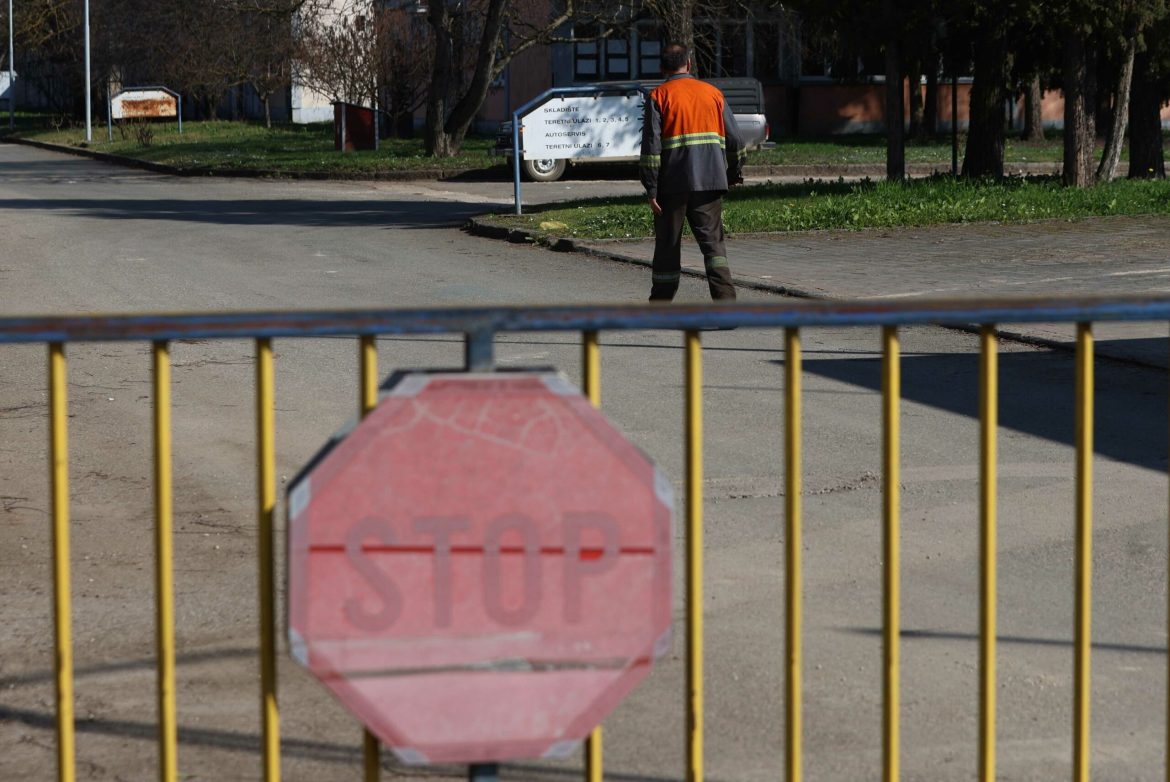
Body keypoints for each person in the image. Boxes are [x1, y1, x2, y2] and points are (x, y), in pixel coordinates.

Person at [639, 44, 745, 302]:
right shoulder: (713, 94)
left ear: (662, 68)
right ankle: (727, 305)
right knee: (713, 247)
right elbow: (736, 141)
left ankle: (661, 306)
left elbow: (651, 149)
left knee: (668, 246)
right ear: (688, 63)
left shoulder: (658, 96)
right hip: (710, 183)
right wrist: (734, 173)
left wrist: (651, 188)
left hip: (671, 185)